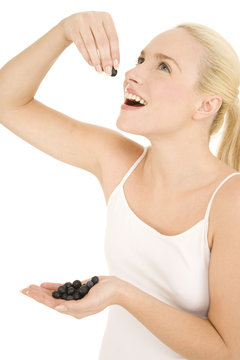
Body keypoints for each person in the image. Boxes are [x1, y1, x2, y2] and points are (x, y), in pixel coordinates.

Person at [1, 11, 240, 360]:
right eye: (141, 59)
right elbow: (8, 102)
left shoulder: (230, 202)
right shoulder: (118, 161)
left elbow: (229, 350)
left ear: (206, 104)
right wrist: (65, 30)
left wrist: (121, 294)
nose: (132, 73)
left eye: (163, 67)